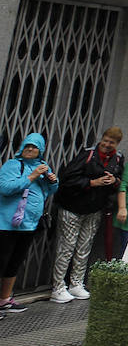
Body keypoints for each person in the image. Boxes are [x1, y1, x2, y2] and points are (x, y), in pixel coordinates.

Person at [52, 127, 125, 303]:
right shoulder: (88, 154)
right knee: (66, 248)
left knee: (84, 249)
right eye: (106, 140)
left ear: (117, 144)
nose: (107, 145)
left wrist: (114, 181)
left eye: (112, 142)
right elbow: (67, 179)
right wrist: (93, 182)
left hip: (94, 210)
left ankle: (76, 283)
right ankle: (57, 287)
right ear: (102, 138)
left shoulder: (118, 158)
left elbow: (119, 180)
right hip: (73, 207)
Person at [0, 133, 58, 313]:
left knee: (14, 263)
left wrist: (53, 182)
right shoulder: (13, 165)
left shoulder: (43, 167)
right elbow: (5, 188)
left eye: (34, 147)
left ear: (40, 150)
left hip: (29, 225)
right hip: (7, 224)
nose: (30, 149)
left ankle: (4, 299)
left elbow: (48, 192)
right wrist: (32, 176)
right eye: (27, 146)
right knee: (1, 262)